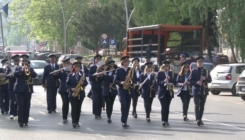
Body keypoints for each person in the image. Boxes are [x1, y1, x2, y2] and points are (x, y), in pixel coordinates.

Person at [14, 54, 37, 127]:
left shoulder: (30, 68)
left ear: (27, 61)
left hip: (28, 90)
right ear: (20, 61)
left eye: (25, 61)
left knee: (27, 106)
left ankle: (26, 120)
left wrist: (29, 70)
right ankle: (21, 121)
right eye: (23, 61)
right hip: (19, 90)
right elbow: (15, 74)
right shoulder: (17, 68)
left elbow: (34, 75)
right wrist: (22, 70)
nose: (24, 62)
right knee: (20, 106)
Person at [114, 56, 137, 128]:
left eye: (127, 62)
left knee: (127, 106)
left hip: (129, 89)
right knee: (124, 104)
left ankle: (125, 121)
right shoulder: (118, 70)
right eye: (125, 62)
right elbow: (115, 80)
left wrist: (131, 80)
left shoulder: (132, 70)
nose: (126, 63)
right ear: (122, 62)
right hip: (121, 89)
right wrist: (121, 82)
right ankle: (123, 119)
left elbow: (136, 80)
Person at [188, 56, 211, 126]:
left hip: (204, 90)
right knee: (197, 105)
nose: (200, 63)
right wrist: (196, 82)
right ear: (196, 63)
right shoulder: (193, 71)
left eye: (201, 62)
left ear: (203, 63)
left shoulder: (206, 71)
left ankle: (200, 119)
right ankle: (197, 119)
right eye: (199, 62)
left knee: (202, 106)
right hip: (196, 90)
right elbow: (190, 81)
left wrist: (205, 78)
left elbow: (210, 80)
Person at [66, 61, 88, 128]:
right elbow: (66, 84)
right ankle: (73, 122)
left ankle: (77, 122)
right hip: (72, 94)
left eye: (78, 67)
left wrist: (83, 83)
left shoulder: (82, 75)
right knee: (74, 108)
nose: (77, 68)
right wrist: (71, 88)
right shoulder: (70, 75)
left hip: (80, 94)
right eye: (76, 67)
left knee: (78, 108)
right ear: (73, 68)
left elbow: (86, 83)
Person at [157, 61, 175, 127]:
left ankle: (166, 120)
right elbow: (158, 82)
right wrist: (163, 81)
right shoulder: (159, 73)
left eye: (167, 67)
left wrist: (170, 80)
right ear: (163, 67)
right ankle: (163, 120)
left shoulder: (171, 73)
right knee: (164, 106)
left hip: (169, 91)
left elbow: (174, 81)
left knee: (167, 107)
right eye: (165, 67)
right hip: (162, 92)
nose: (166, 68)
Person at [54, 56, 72, 124]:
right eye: (65, 64)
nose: (66, 65)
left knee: (73, 104)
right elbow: (56, 77)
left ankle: (74, 119)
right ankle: (64, 118)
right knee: (65, 103)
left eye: (67, 63)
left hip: (71, 89)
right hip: (63, 89)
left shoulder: (72, 70)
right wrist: (55, 74)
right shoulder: (61, 70)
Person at [6, 55, 20, 119]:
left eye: (17, 60)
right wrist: (10, 75)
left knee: (17, 100)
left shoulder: (21, 68)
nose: (16, 62)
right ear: (13, 61)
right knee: (12, 100)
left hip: (19, 86)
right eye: (15, 60)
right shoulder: (10, 68)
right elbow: (6, 76)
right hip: (11, 86)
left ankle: (16, 113)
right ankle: (12, 113)